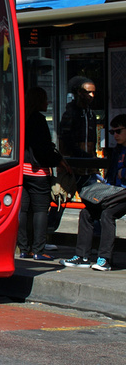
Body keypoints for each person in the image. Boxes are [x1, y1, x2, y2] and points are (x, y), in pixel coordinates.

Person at [61, 114, 126, 271]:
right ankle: (82, 256)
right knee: (86, 213)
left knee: (107, 214)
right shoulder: (116, 151)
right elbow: (111, 175)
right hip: (114, 192)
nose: (115, 135)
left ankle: (105, 258)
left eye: (118, 131)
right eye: (112, 132)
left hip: (123, 193)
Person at [18, 87, 68, 260]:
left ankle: (23, 249)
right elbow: (44, 149)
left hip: (20, 171)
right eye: (45, 99)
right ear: (38, 100)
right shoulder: (39, 119)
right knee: (40, 211)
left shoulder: (21, 117)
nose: (47, 103)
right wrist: (58, 161)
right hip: (37, 171)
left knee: (22, 211)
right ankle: (38, 250)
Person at [59, 76, 98, 187]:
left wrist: (92, 158)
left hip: (89, 167)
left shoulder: (91, 114)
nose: (92, 96)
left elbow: (93, 139)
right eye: (88, 92)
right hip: (73, 166)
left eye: (93, 92)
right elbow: (66, 138)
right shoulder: (70, 113)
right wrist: (81, 155)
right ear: (79, 93)